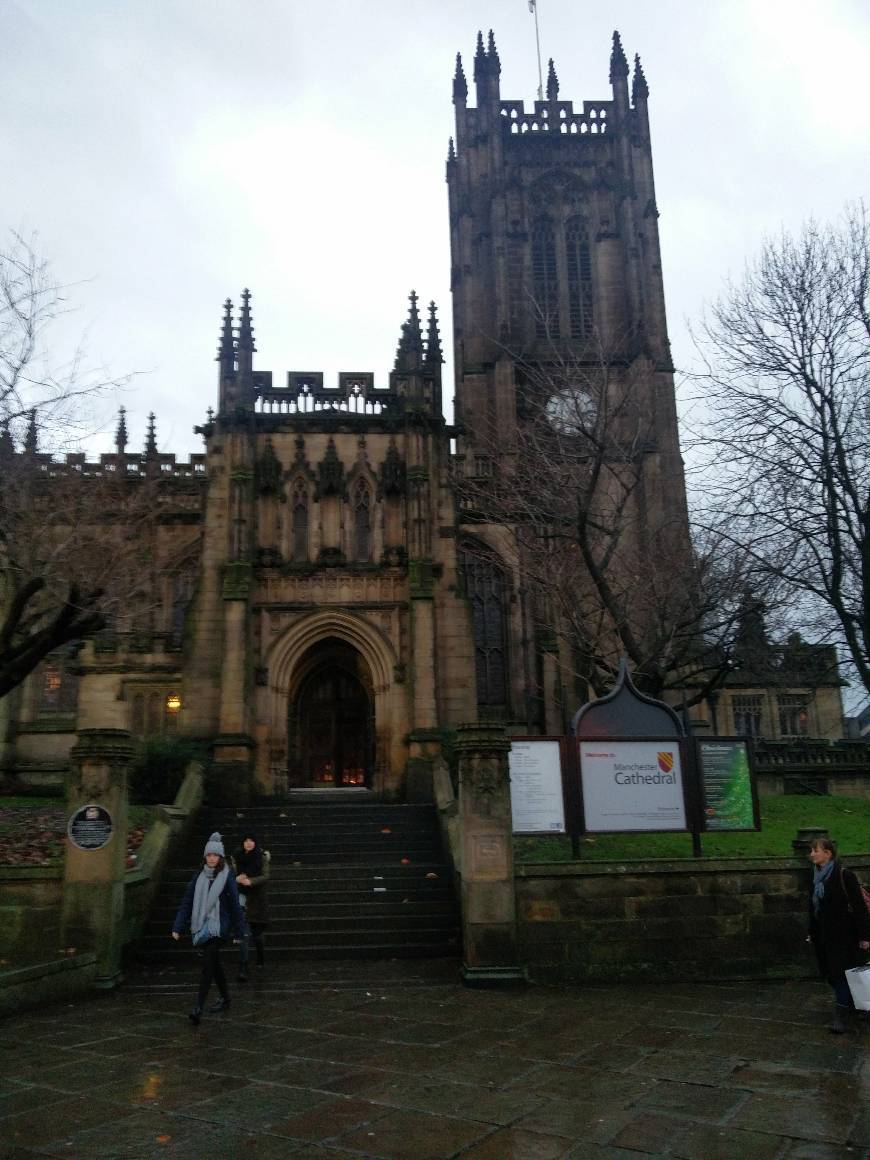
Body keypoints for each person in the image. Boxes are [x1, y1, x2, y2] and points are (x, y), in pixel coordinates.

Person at [171, 831, 246, 1025]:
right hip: (202, 926)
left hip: (220, 928)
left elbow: (235, 906)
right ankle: (226, 998)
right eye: (209, 855)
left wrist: (239, 931)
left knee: (208, 963)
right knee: (215, 964)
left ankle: (198, 1007)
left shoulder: (227, 875)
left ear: (220, 857)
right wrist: (178, 926)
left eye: (215, 855)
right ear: (205, 857)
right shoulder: (198, 877)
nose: (212, 858)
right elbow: (187, 902)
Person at [807, 837, 870, 1034]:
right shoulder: (816, 876)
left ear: (828, 853)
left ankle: (842, 1012)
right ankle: (855, 1005)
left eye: (815, 850)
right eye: (811, 850)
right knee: (833, 973)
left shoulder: (845, 875)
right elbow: (813, 908)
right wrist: (812, 931)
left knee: (844, 972)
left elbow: (859, 907)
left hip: (846, 936)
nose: (811, 854)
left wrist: (865, 937)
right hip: (825, 936)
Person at [232, 831, 270, 982]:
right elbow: (230, 875)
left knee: (257, 936)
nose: (248, 843)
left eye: (251, 840)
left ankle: (260, 954)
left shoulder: (262, 857)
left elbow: (266, 876)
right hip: (241, 897)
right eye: (246, 840)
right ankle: (243, 967)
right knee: (243, 934)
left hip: (257, 899)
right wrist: (237, 879)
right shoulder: (236, 857)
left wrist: (251, 881)